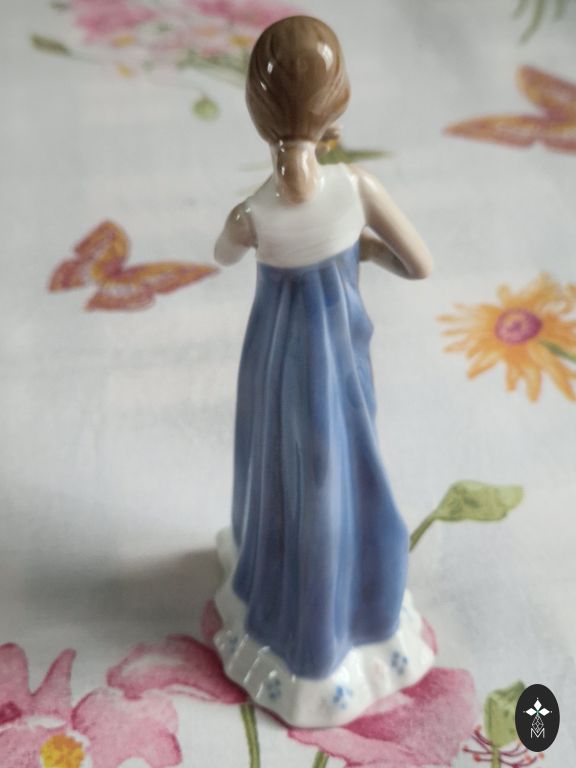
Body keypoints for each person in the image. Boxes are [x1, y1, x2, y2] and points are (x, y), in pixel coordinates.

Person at [213, 15, 435, 728]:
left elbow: (220, 254)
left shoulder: (253, 213)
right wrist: (359, 249)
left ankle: (286, 614)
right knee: (345, 474)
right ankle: (355, 617)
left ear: (256, 113)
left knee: (286, 482)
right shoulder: (357, 187)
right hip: (340, 366)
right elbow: (420, 264)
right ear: (338, 104)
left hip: (277, 366)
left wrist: (248, 229)